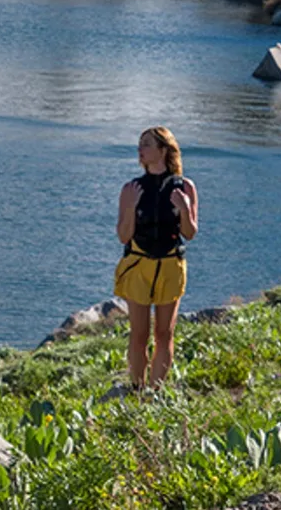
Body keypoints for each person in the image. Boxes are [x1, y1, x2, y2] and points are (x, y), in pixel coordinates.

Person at [114, 126, 198, 388]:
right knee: (139, 334)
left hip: (171, 265)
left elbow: (190, 232)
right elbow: (123, 237)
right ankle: (137, 389)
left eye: (147, 145)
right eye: (140, 144)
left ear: (163, 150)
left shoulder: (185, 186)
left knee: (165, 333)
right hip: (139, 265)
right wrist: (130, 209)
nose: (140, 150)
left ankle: (156, 392)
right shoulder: (131, 188)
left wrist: (184, 209)